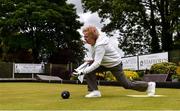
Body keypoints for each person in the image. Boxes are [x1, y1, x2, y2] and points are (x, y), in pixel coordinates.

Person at [74, 25, 156, 98]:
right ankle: (94, 91)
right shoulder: (94, 40)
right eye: (84, 36)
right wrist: (89, 61)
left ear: (93, 36)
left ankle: (149, 85)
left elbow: (97, 63)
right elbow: (98, 57)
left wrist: (83, 72)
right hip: (104, 63)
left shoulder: (100, 45)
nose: (84, 39)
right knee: (89, 69)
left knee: (126, 85)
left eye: (86, 37)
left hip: (114, 64)